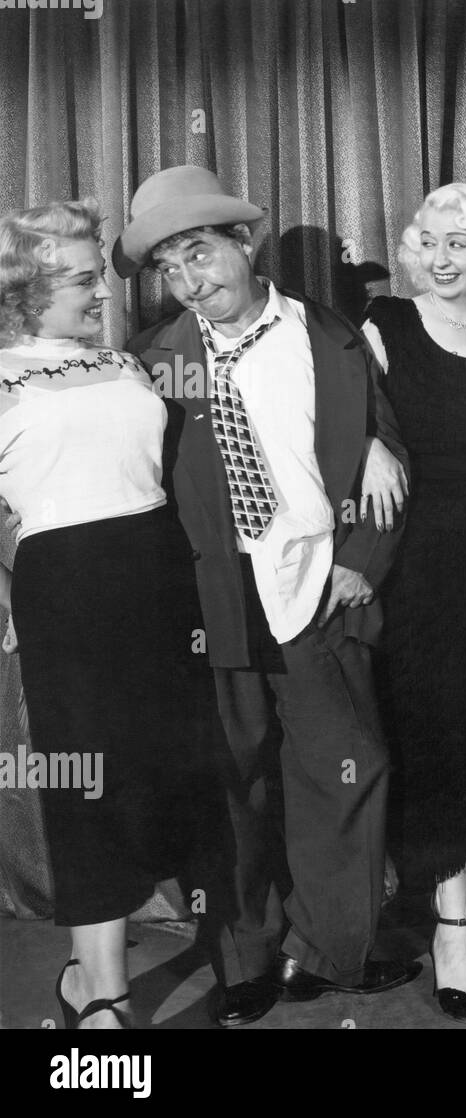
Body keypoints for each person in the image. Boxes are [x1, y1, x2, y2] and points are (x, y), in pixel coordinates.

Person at [113, 165, 419, 1027]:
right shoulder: (153, 361)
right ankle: (245, 958)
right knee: (232, 785)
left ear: (244, 244)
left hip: (321, 584)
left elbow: (386, 446)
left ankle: (330, 952)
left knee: (346, 772)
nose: (189, 281)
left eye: (200, 254)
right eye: (170, 268)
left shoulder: (331, 336)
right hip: (214, 604)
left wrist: (361, 557)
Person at [0, 198, 213, 1027]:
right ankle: (103, 994)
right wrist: (11, 599)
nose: (102, 294)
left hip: (161, 576)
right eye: (85, 279)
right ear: (28, 285)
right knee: (88, 791)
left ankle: (212, 948)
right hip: (70, 592)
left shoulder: (124, 364)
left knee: (156, 779)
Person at [359, 182, 466, 1023]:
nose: (441, 256)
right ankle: (453, 921)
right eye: (428, 240)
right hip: (424, 564)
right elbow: (323, 406)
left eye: (460, 243)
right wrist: (364, 447)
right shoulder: (386, 326)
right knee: (440, 735)